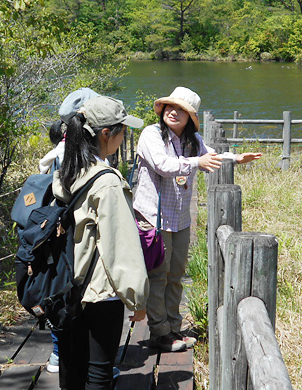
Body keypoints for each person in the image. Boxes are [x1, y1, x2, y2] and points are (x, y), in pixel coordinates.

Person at [133, 86, 262, 352]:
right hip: (153, 218)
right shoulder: (152, 134)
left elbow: (210, 155)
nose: (173, 111)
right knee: (159, 274)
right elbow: (162, 165)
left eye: (181, 109)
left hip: (179, 218)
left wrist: (236, 158)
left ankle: (173, 327)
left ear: (190, 118)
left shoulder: (193, 140)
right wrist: (196, 163)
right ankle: (159, 332)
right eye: (170, 106)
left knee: (176, 274)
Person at [52, 95, 149, 390]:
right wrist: (137, 298)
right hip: (100, 290)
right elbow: (121, 247)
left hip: (68, 283)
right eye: (122, 131)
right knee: (99, 373)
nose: (123, 137)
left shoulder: (68, 171)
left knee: (72, 365)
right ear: (106, 134)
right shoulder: (106, 181)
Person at [42, 88, 101, 374]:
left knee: (62, 285)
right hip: (72, 229)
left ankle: (60, 353)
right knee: (71, 288)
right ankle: (65, 354)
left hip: (59, 226)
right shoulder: (74, 149)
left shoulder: (64, 145)